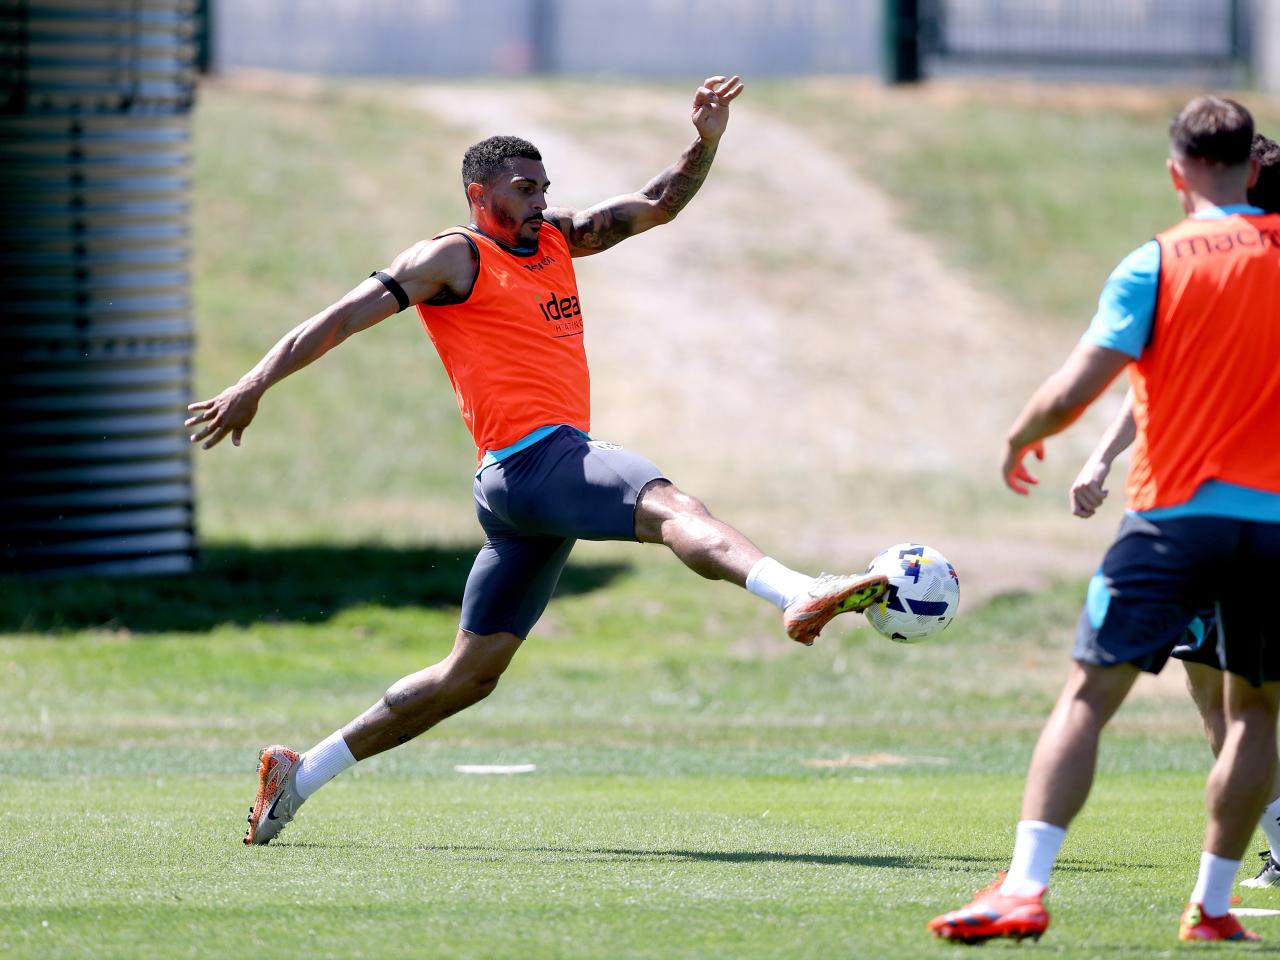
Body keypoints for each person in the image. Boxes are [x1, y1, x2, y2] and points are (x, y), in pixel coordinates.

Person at [186, 75, 889, 847]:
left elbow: (657, 204)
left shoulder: (556, 238)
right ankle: (797, 591)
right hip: (535, 462)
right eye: (524, 189)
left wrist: (705, 141)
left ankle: (299, 774)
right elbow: (342, 317)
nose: (539, 201)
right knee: (671, 506)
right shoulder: (453, 257)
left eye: (544, 186)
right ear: (478, 192)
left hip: (522, 494)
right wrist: (254, 382)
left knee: (468, 676)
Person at [928, 96, 1280, 944]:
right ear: (1254, 167)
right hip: (1272, 528)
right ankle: (1216, 904)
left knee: (1089, 696)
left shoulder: (1156, 261)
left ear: (1176, 170)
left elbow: (1074, 387)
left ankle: (1023, 886)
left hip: (1174, 519)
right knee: (1257, 713)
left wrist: (1023, 438)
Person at [1068, 132, 1280, 892]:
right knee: (1213, 683)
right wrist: (1100, 457)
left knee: (1243, 694)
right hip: (1199, 517)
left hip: (1224, 519)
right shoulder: (1213, 273)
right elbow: (1154, 386)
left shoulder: (1233, 269)